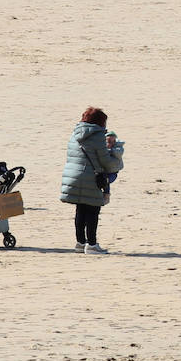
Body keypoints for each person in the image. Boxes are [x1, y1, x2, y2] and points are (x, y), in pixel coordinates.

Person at [60, 106, 124, 254]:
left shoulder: (74, 134)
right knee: (93, 211)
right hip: (91, 177)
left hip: (73, 177)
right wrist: (118, 162)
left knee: (80, 210)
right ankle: (92, 245)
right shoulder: (98, 136)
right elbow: (105, 161)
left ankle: (80, 243)